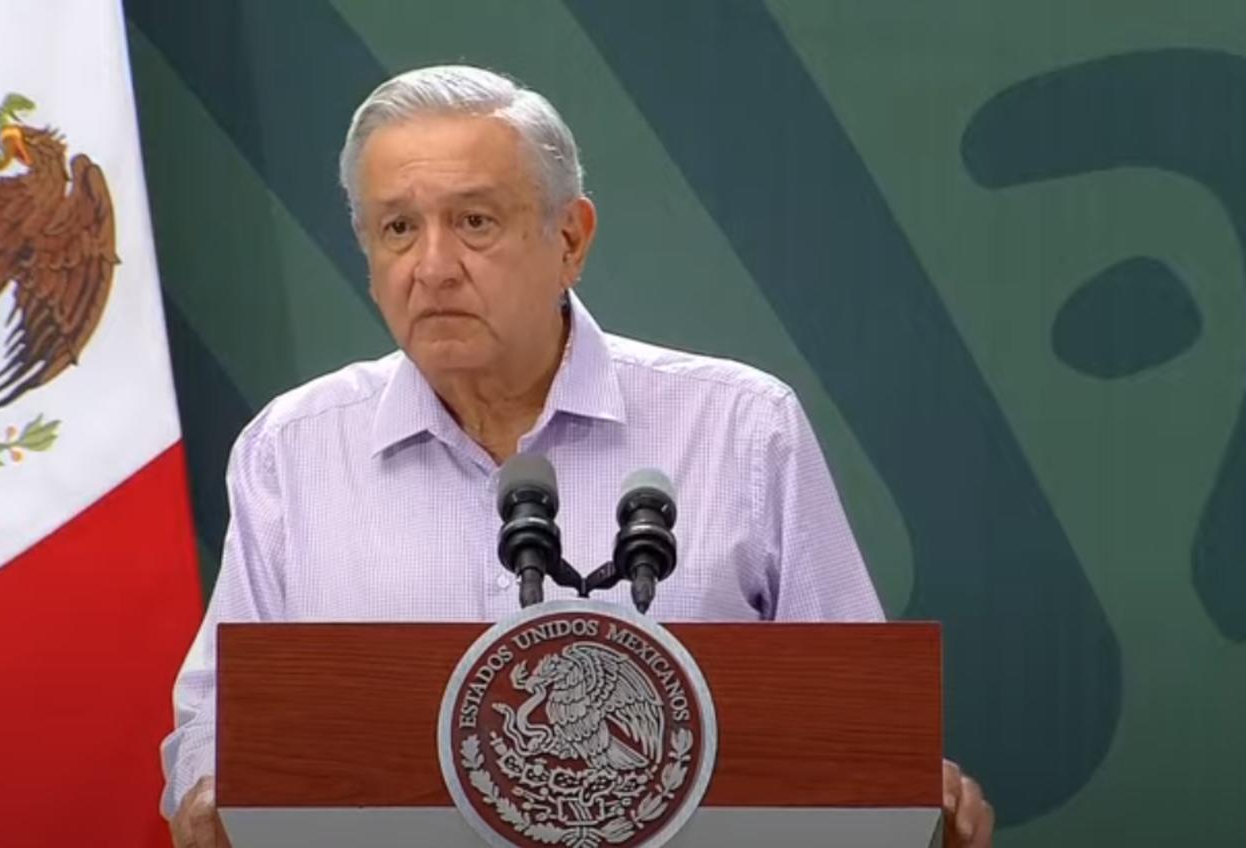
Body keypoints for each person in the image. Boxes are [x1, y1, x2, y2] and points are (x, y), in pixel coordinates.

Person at [162, 65, 994, 848]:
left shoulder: (741, 427)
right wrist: (210, 791)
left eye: (475, 222)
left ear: (570, 238)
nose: (433, 267)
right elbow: (214, 720)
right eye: (398, 228)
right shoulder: (293, 450)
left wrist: (912, 792)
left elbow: (852, 720)